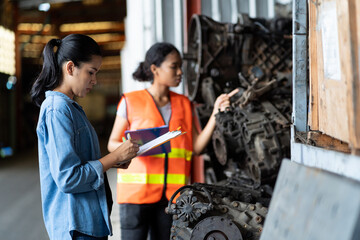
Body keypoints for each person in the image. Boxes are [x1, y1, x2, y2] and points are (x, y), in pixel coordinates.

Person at [107, 42, 238, 240]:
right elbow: (112, 144)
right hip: (136, 196)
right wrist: (130, 148)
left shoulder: (185, 104)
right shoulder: (130, 101)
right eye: (174, 66)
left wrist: (215, 114)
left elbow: (196, 147)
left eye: (180, 66)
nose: (180, 72)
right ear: (155, 69)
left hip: (172, 197)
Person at [30, 34, 139, 240]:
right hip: (76, 228)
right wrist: (113, 158)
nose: (94, 81)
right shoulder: (58, 110)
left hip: (88, 223)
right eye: (91, 72)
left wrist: (113, 161)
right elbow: (68, 178)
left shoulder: (71, 108)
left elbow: (80, 161)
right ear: (70, 68)